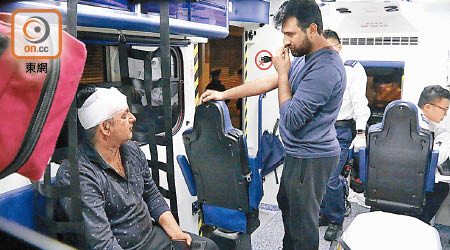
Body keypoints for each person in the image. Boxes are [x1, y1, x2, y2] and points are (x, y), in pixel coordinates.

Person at [199, 1, 346, 249]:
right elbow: (269, 81)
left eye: (290, 34)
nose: (286, 41)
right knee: (287, 205)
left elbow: (289, 118)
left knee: (302, 223)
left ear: (312, 29)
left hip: (312, 157)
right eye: (284, 34)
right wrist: (224, 94)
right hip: (298, 153)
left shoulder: (326, 68)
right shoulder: (305, 56)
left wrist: (283, 72)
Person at [55, 87, 218, 250]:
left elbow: (152, 196)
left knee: (208, 247)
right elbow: (103, 244)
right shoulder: (77, 175)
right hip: (122, 246)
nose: (133, 118)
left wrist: (176, 234)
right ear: (105, 128)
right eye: (125, 116)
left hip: (151, 237)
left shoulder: (130, 149)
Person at [319, 29, 371, 241]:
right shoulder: (318, 69)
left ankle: (335, 220)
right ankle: (324, 212)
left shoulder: (352, 69)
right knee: (319, 174)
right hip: (320, 129)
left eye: (329, 49)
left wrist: (360, 132)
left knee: (331, 177)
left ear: (338, 48)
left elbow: (359, 101)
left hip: (341, 129)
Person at [416, 85, 450, 224]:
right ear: (428, 107)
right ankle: (421, 222)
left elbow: (439, 129)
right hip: (413, 184)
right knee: (443, 186)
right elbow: (437, 158)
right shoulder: (422, 128)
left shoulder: (414, 118)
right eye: (445, 109)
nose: (446, 114)